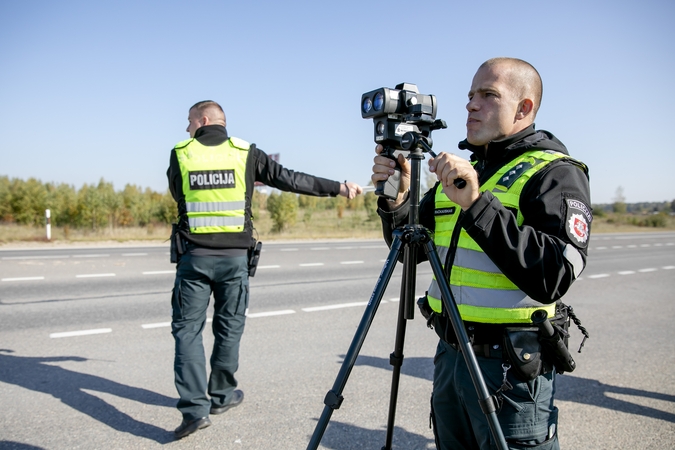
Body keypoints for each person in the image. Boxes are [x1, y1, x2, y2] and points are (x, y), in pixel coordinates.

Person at [371, 57, 591, 449]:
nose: (472, 105)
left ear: (524, 108)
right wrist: (397, 201)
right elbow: (407, 252)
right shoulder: (461, 172)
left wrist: (476, 205)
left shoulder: (554, 171)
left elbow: (556, 275)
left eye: (489, 95)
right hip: (451, 356)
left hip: (510, 367)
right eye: (471, 95)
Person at [167, 100, 362, 439]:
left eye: (188, 122)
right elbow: (291, 180)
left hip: (194, 257)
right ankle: (222, 396)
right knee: (229, 328)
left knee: (187, 332)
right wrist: (339, 188)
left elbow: (177, 194)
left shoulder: (181, 153)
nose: (186, 129)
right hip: (234, 260)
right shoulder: (246, 152)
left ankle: (195, 411)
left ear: (203, 119)